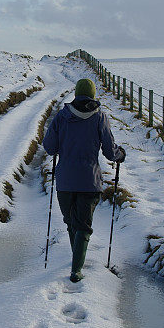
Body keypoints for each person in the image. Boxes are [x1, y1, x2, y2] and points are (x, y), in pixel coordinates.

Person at [42, 78, 126, 282]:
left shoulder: (62, 117)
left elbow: (50, 147)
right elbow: (108, 151)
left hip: (65, 181)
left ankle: (76, 261)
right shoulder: (100, 118)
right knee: (83, 225)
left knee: (72, 222)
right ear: (93, 94)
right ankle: (76, 269)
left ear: (76, 94)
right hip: (89, 180)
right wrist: (120, 154)